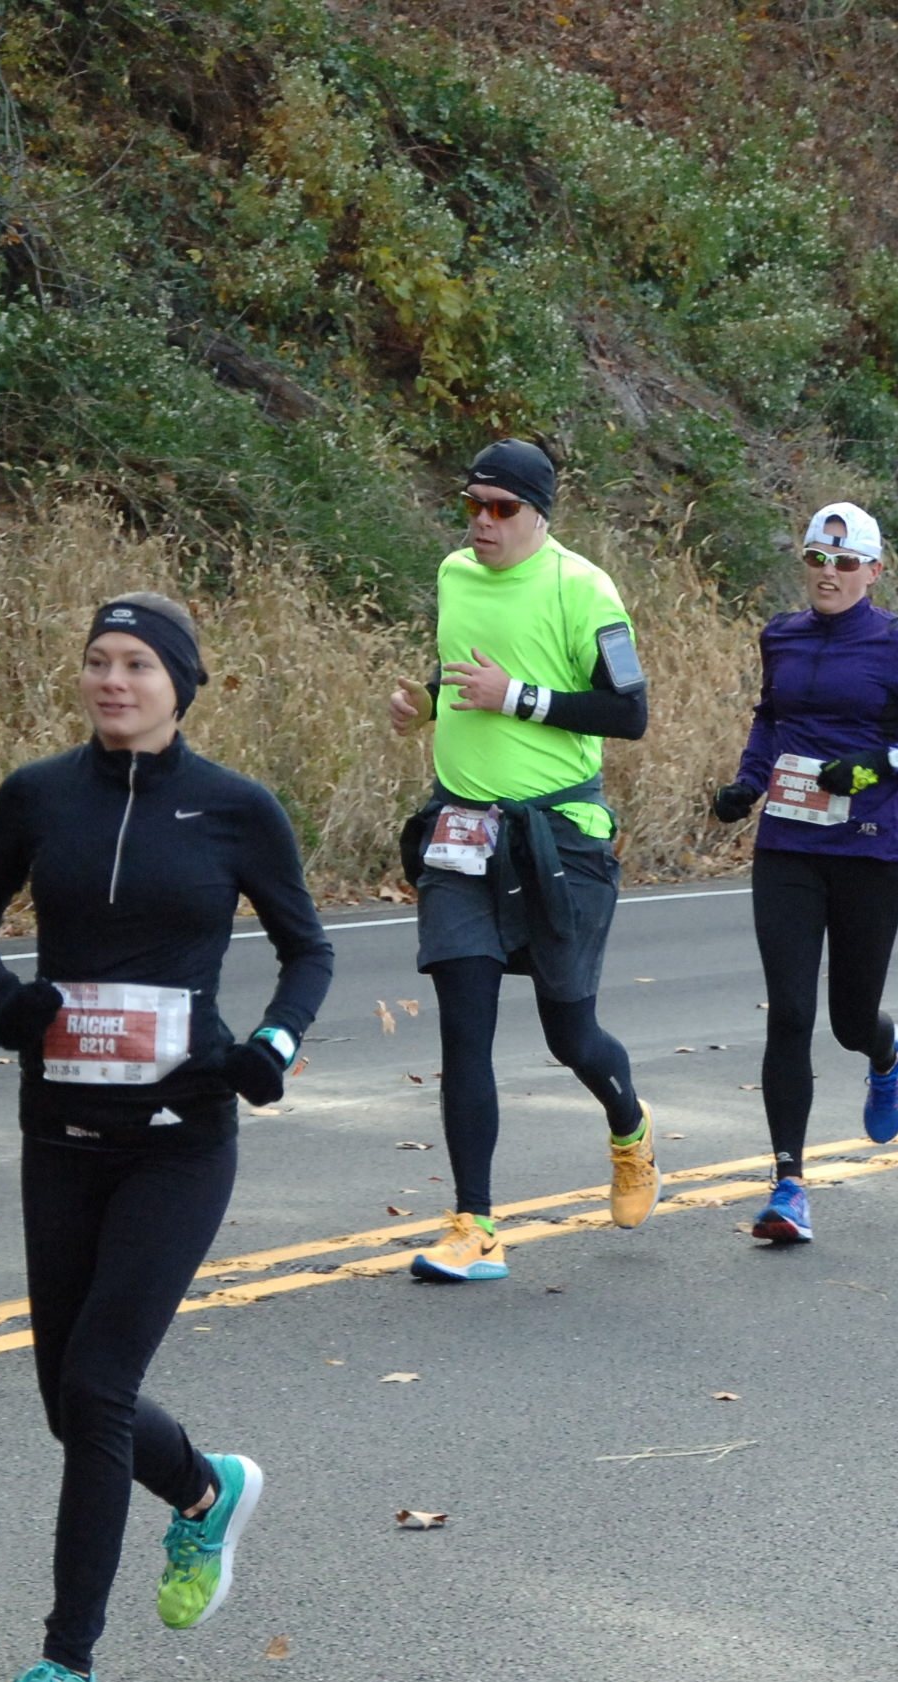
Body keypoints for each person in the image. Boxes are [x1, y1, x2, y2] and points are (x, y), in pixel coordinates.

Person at [0, 593, 333, 1682]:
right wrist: (6, 1003)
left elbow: (306, 946)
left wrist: (270, 1047)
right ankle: (206, 1492)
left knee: (100, 1385)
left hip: (181, 1137)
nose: (113, 682)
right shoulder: (38, 796)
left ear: (180, 682)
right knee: (71, 1399)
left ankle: (67, 1672)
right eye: (98, 663)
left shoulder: (235, 809)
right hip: (59, 1133)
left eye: (137, 665)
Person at [386, 439, 658, 1282]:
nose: (483, 523)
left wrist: (519, 698)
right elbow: (460, 675)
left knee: (569, 1032)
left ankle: (631, 1130)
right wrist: (425, 702)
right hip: (462, 832)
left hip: (558, 838)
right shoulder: (452, 576)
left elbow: (631, 711)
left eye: (502, 509)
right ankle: (474, 1226)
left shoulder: (584, 588)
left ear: (541, 514)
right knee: (464, 1030)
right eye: (472, 505)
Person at [709, 503, 898, 1242]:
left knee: (848, 1019)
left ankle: (886, 1051)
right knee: (790, 1013)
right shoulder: (783, 635)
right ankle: (788, 1183)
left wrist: (882, 763)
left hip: (870, 848)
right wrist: (749, 781)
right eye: (815, 558)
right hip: (789, 846)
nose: (828, 573)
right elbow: (771, 715)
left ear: (873, 570)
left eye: (844, 561)